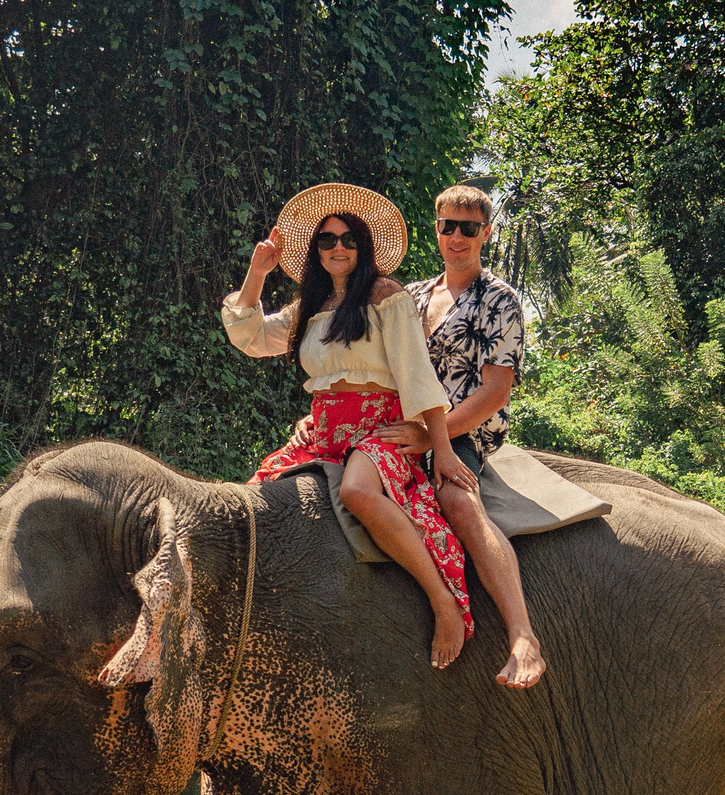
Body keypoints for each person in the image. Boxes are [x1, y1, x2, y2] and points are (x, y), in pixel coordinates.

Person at [297, 183, 546, 687]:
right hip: (392, 421)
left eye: (469, 228)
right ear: (436, 229)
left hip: (458, 430)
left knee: (457, 502)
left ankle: (522, 634)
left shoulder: (500, 299)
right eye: (448, 226)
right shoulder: (409, 293)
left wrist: (436, 440)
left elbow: (496, 391)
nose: (457, 236)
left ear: (485, 234)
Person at [222, 185, 477, 669]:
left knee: (358, 492)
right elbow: (250, 337)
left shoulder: (386, 296)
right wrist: (258, 273)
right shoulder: (307, 310)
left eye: (348, 239)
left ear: (363, 248)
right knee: (257, 494)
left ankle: (442, 601)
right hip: (323, 432)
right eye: (327, 240)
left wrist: (440, 449)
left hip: (377, 428)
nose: (337, 247)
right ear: (315, 252)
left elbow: (416, 376)